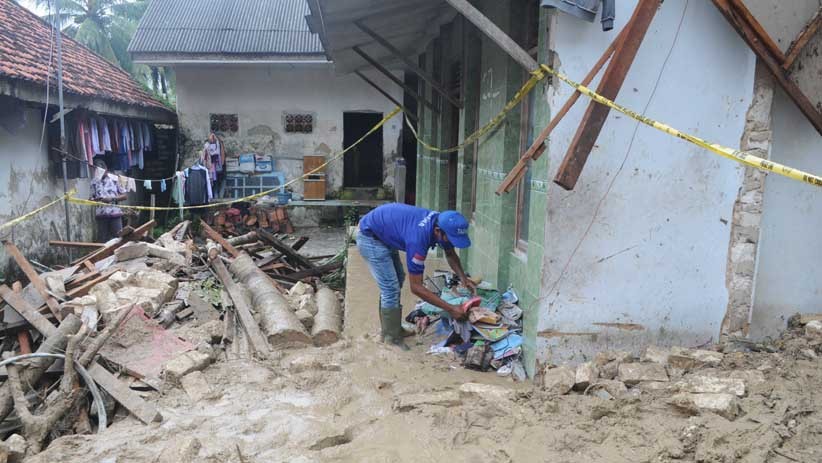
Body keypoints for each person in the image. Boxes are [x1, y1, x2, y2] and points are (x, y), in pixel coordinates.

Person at [356, 203, 476, 349]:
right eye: (451, 239)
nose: (451, 243)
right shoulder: (418, 241)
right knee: (390, 288)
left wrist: (463, 278)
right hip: (370, 237)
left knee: (398, 278)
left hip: (383, 230)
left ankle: (393, 328)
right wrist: (451, 309)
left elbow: (450, 253)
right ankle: (390, 337)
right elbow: (416, 287)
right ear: (438, 231)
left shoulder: (441, 224)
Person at [90, 159, 127, 242]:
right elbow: (91, 197)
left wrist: (112, 199)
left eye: (100, 171)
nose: (98, 173)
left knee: (118, 239)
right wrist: (94, 200)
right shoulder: (93, 182)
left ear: (105, 169)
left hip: (115, 214)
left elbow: (124, 196)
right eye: (96, 171)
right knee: (102, 241)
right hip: (101, 215)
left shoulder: (116, 179)